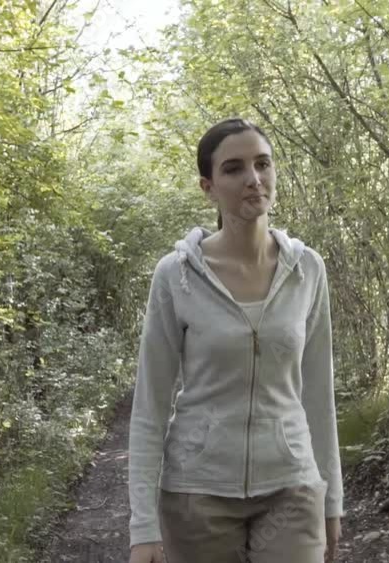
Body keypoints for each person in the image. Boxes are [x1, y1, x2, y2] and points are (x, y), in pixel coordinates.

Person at [128, 118, 344, 563]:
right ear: (208, 186)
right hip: (197, 491)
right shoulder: (177, 275)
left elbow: (319, 396)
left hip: (292, 484)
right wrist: (143, 526)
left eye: (262, 164)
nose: (253, 179)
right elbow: (150, 405)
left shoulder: (308, 270)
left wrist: (332, 499)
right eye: (234, 169)